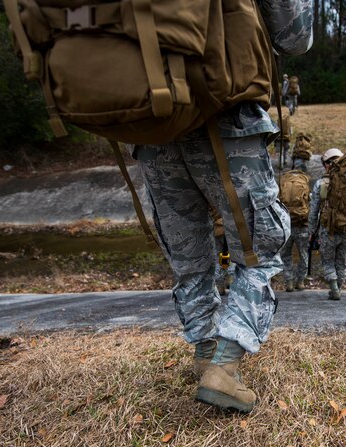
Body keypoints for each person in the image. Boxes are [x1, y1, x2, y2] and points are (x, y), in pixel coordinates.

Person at [133, 1, 313, 413]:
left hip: (149, 124)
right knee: (260, 250)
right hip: (224, 117)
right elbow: (295, 38)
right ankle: (224, 367)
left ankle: (205, 353)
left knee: (190, 257)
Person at [307, 148, 346, 300]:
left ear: (326, 165)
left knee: (328, 260)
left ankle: (334, 288)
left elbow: (314, 210)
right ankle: (339, 287)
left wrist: (311, 231)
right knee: (342, 260)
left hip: (328, 230)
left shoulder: (321, 184)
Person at [279, 154, 311, 293]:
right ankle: (301, 281)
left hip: (286, 224)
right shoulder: (305, 181)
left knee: (286, 254)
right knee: (303, 253)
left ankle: (289, 282)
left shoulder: (283, 181)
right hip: (302, 224)